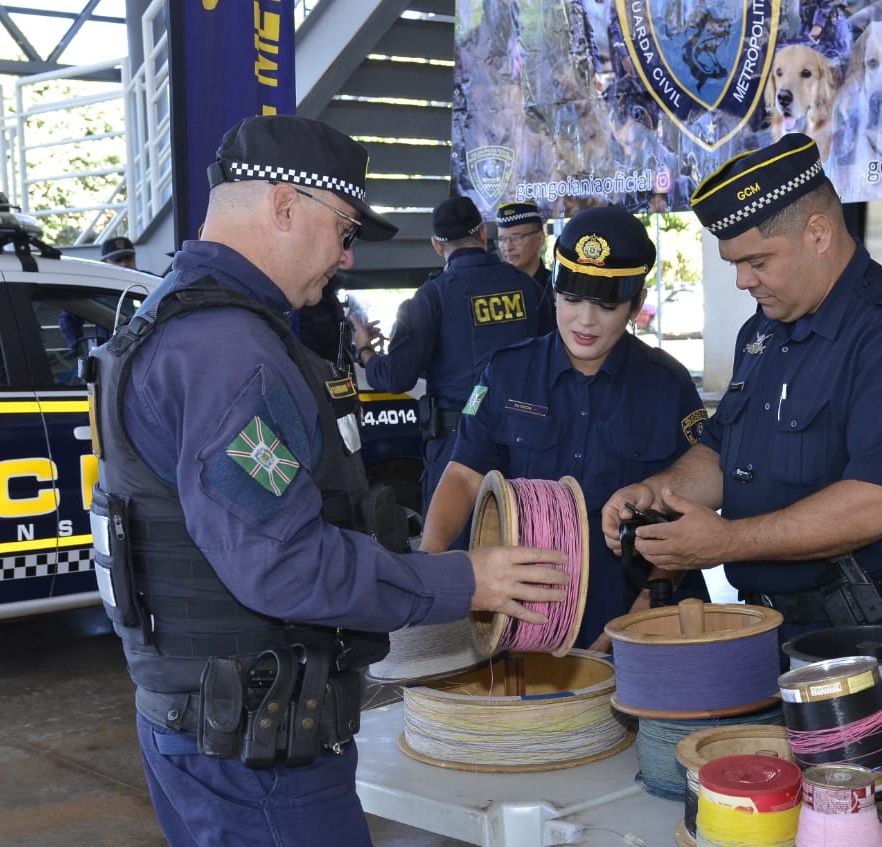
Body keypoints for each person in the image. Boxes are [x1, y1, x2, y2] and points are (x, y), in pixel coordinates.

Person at [85, 114, 568, 847]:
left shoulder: (170, 317)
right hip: (260, 757)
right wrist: (461, 579)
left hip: (210, 731)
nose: (346, 256)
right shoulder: (228, 352)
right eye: (344, 230)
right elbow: (284, 563)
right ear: (285, 205)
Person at [600, 133, 882, 654]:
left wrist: (726, 541)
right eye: (733, 263)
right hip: (764, 627)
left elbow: (879, 504)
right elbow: (722, 453)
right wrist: (656, 494)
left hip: (865, 638)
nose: (742, 281)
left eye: (757, 262)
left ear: (818, 233)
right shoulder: (762, 332)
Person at [422, 205, 710, 651]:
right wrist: (429, 566)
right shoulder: (507, 372)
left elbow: (689, 512)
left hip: (644, 619)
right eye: (572, 299)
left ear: (636, 304)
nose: (585, 321)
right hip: (528, 624)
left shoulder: (669, 387)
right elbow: (463, 475)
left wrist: (639, 616)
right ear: (554, 292)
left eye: (607, 305)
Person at [350, 195, 555, 512]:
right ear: (483, 233)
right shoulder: (528, 289)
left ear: (436, 244)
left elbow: (396, 377)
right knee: (523, 531)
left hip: (458, 447)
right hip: (523, 441)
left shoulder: (432, 296)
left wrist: (365, 350)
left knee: (453, 539)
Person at [494, 201, 551, 288]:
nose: (508, 247)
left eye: (516, 238)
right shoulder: (494, 288)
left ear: (540, 238)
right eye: (502, 239)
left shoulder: (557, 288)